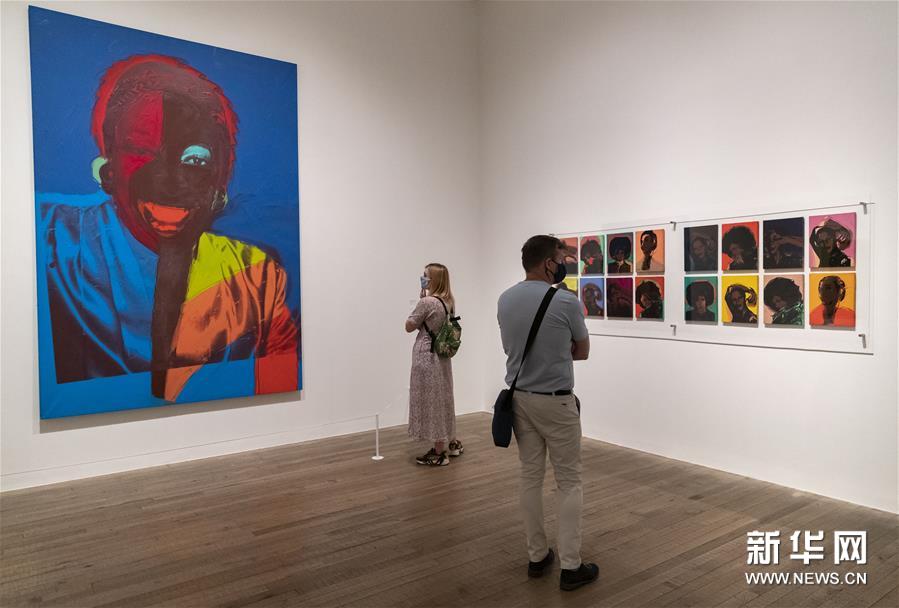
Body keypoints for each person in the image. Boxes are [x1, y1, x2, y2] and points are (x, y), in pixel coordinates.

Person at [40, 55, 299, 402]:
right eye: (140, 151)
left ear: (221, 178)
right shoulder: (51, 236)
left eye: (196, 159)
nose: (170, 180)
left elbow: (280, 375)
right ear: (108, 167)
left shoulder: (256, 276)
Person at [497, 235, 599, 591]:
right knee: (568, 480)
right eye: (561, 258)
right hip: (556, 401)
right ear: (547, 263)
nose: (564, 264)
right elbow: (582, 351)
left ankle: (537, 555)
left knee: (530, 475)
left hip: (520, 399)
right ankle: (571, 566)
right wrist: (558, 349)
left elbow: (510, 347)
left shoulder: (505, 299)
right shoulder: (565, 301)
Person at [405, 263, 462, 466]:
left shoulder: (427, 302)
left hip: (426, 355)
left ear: (435, 279)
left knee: (431, 400)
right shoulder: (449, 301)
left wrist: (421, 301)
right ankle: (452, 442)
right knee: (443, 396)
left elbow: (409, 326)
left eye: (426, 275)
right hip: (442, 355)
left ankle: (439, 452)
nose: (423, 278)